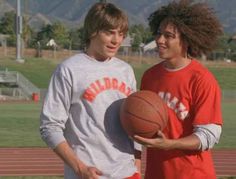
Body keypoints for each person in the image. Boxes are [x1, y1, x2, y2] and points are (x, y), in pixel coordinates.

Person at [40, 2, 141, 179]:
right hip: (88, 174)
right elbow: (50, 127)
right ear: (93, 31)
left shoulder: (126, 71)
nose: (116, 40)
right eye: (109, 32)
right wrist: (80, 169)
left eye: (121, 34)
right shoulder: (69, 69)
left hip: (127, 173)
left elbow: (135, 123)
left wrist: (137, 165)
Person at [134, 0, 223, 179]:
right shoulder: (150, 76)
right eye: (159, 34)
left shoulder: (202, 79)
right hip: (156, 173)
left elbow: (209, 135)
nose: (159, 40)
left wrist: (169, 144)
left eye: (168, 35)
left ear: (187, 40)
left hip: (193, 174)